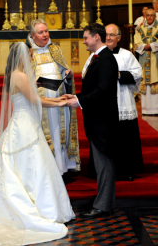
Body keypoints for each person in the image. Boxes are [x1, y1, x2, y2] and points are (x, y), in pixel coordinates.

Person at [0, 42, 75, 245]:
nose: (32, 58)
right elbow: (35, 101)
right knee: (33, 164)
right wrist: (63, 102)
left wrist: (61, 100)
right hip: (24, 126)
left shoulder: (17, 75)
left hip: (24, 123)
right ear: (21, 57)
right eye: (30, 55)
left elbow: (34, 98)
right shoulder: (19, 76)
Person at [65, 23, 119, 218]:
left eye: (86, 37)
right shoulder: (97, 58)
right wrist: (76, 95)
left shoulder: (106, 60)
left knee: (104, 164)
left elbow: (102, 92)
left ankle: (103, 205)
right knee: (101, 163)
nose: (84, 40)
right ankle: (104, 203)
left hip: (103, 121)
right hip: (97, 120)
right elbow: (92, 88)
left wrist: (78, 100)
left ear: (97, 37)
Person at [26, 19, 80, 175]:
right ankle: (46, 171)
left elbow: (63, 71)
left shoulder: (55, 49)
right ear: (32, 35)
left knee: (59, 133)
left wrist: (68, 76)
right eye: (40, 32)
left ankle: (61, 168)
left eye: (46, 31)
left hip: (59, 104)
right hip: (40, 105)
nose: (45, 35)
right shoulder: (28, 52)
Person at [106, 23, 144, 181]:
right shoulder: (97, 55)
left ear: (119, 38)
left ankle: (127, 170)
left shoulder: (127, 55)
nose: (108, 38)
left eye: (112, 35)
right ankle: (107, 172)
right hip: (106, 105)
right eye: (106, 35)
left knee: (126, 139)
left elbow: (137, 74)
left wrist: (119, 74)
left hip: (124, 101)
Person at [134, 8, 158, 115]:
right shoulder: (140, 29)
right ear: (145, 16)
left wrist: (151, 46)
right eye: (147, 15)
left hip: (155, 59)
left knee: (155, 80)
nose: (149, 17)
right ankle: (146, 110)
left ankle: (156, 109)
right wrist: (146, 46)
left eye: (151, 15)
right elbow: (136, 42)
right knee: (145, 82)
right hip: (144, 59)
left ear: (155, 17)